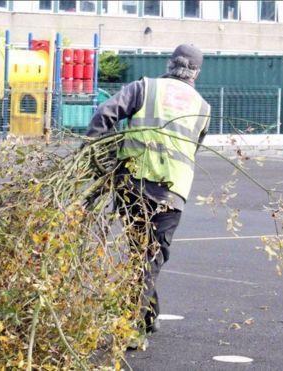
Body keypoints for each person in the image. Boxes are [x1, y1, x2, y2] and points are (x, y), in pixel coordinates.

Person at [84, 44, 211, 343]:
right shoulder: (203, 107)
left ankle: (146, 316)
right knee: (148, 259)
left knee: (140, 256)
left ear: (170, 64)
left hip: (133, 185)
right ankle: (131, 329)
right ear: (196, 73)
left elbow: (105, 114)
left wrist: (94, 155)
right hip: (171, 193)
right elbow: (194, 146)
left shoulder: (145, 88)